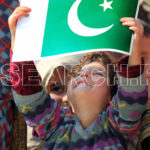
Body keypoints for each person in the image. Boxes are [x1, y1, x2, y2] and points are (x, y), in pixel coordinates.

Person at [9, 6, 147, 150]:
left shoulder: (119, 125)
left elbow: (132, 93)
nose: (85, 74)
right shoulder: (55, 126)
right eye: (79, 74)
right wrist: (19, 45)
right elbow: (29, 94)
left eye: (97, 74)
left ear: (112, 96)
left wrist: (134, 46)